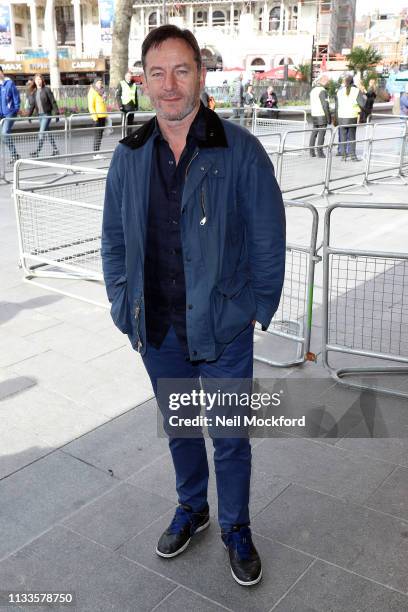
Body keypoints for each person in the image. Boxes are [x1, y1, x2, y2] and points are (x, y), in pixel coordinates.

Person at [101, 25, 285, 587]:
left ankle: (235, 526)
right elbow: (113, 239)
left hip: (224, 328)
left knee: (229, 437)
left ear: (201, 76)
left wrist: (253, 308)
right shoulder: (129, 157)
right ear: (144, 80)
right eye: (157, 73)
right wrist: (120, 301)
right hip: (157, 328)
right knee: (180, 428)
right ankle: (193, 508)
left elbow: (267, 240)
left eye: (182, 70)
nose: (170, 84)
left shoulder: (240, 150)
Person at [335, 75, 366, 161]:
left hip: (341, 117)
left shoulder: (339, 91)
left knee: (343, 136)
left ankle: (344, 156)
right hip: (352, 116)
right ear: (353, 82)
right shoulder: (356, 91)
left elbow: (336, 106)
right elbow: (363, 104)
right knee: (352, 137)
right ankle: (353, 156)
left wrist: (336, 118)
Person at [28, 74, 60, 157]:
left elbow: (53, 102)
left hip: (47, 114)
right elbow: (32, 105)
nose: (38, 81)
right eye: (37, 80)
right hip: (40, 116)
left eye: (40, 79)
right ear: (34, 81)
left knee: (41, 133)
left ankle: (37, 151)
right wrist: (29, 116)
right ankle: (56, 150)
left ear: (42, 80)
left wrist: (57, 114)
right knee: (48, 133)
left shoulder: (47, 90)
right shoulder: (34, 92)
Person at [0, 65, 20, 163]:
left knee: (4, 133)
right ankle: (15, 154)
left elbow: (16, 97)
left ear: (2, 72)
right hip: (1, 114)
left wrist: (15, 109)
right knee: (4, 136)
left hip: (10, 113)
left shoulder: (9, 83)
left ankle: (14, 155)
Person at [309, 75, 331, 158]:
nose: (328, 84)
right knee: (322, 134)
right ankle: (320, 152)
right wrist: (328, 117)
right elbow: (325, 105)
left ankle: (311, 152)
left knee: (314, 133)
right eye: (328, 82)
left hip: (314, 114)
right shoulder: (322, 91)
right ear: (324, 81)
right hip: (321, 115)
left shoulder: (313, 90)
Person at [88, 77, 108, 158]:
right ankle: (95, 153)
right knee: (97, 135)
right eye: (98, 83)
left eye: (101, 83)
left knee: (100, 136)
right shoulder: (92, 92)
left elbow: (102, 104)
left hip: (102, 116)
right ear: (95, 83)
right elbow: (91, 106)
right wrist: (95, 118)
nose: (100, 84)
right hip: (97, 118)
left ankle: (97, 152)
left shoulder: (102, 92)